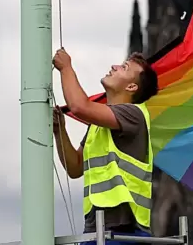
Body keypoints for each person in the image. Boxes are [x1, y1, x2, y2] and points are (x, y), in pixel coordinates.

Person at [52, 48, 159, 243]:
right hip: (96, 229)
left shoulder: (134, 115)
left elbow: (79, 107)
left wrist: (66, 68)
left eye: (124, 67)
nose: (114, 66)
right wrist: (60, 131)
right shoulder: (98, 124)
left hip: (125, 232)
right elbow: (75, 167)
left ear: (132, 87)